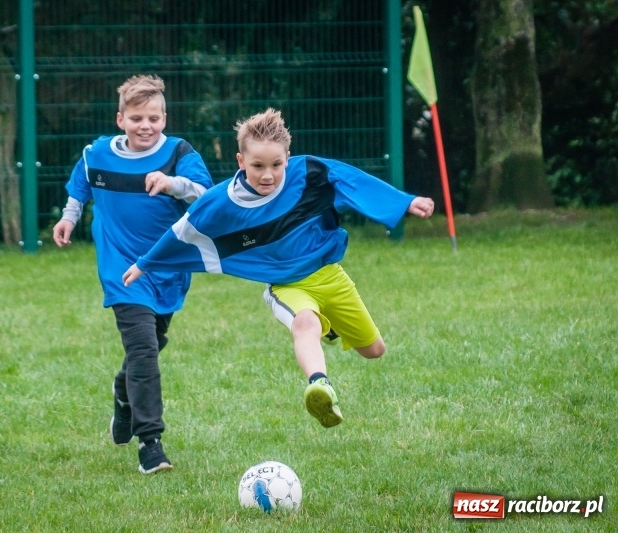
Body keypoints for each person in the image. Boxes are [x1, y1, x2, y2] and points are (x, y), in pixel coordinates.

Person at [123, 108, 434, 429]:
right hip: (286, 285)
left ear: (289, 156)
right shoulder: (222, 202)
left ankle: (329, 328)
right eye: (257, 166)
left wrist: (404, 202)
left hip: (329, 275)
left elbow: (354, 182)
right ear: (241, 162)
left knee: (374, 350)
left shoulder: (309, 173)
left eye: (276, 165)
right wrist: (145, 263)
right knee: (304, 323)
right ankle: (320, 384)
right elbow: (183, 233)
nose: (268, 175)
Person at [52, 75, 213, 474]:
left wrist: (172, 183)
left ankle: (123, 396)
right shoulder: (97, 154)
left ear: (164, 118)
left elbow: (207, 195)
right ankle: (151, 445)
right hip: (121, 268)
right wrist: (69, 217)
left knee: (152, 343)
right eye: (137, 118)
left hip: (167, 268)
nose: (146, 126)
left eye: (154, 118)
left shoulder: (179, 152)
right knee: (143, 349)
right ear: (120, 119)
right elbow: (80, 185)